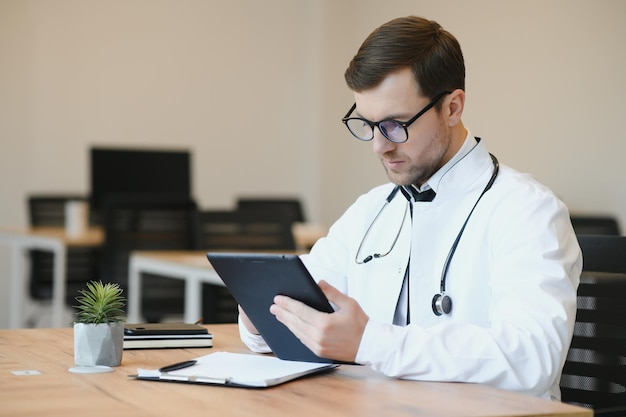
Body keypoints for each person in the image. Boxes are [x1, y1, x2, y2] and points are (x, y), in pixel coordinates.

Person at [238, 15, 581, 401]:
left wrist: (371, 342)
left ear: (452, 108)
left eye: (395, 125)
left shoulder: (526, 210)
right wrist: (261, 316)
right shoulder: (371, 210)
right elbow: (293, 321)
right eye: (367, 124)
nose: (378, 146)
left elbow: (531, 359)